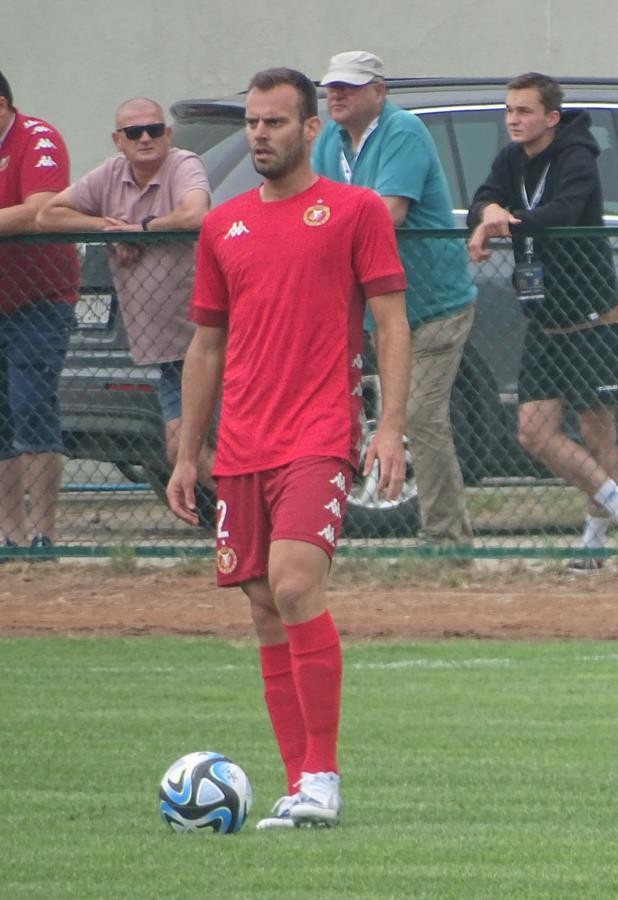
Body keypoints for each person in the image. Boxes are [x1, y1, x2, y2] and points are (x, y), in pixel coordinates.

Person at [166, 67, 409, 830]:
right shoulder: (223, 226)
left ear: (311, 129)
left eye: (275, 122)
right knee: (267, 609)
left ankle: (323, 778)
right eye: (252, 122)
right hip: (242, 443)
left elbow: (392, 322)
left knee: (296, 584)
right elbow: (206, 345)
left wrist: (390, 427)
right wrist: (188, 453)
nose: (260, 134)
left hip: (319, 433)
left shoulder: (354, 211)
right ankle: (299, 784)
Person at [467, 72, 618, 569]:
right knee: (532, 433)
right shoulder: (511, 159)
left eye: (524, 111)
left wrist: (505, 222)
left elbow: (564, 212)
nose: (513, 120)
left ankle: (594, 546)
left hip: (592, 319)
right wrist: (489, 212)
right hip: (544, 320)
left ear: (551, 117)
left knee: (596, 429)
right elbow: (481, 200)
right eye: (509, 110)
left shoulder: (577, 157)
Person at [312, 50, 477, 552]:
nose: (336, 95)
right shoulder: (329, 139)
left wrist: (321, 232)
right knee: (349, 414)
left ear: (379, 92)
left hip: (433, 305)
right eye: (332, 86)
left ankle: (447, 539)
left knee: (420, 417)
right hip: (376, 310)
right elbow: (314, 205)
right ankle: (318, 524)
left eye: (349, 86)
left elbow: (388, 214)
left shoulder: (403, 131)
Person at [37, 97, 214, 505]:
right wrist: (107, 226)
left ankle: (256, 518)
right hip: (166, 353)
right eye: (134, 132)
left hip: (209, 343)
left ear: (168, 134)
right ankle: (249, 517)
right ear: (119, 140)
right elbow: (48, 216)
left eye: (154, 129)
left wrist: (143, 229)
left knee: (214, 447)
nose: (145, 138)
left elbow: (195, 214)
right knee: (181, 451)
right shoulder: (110, 174)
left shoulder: (183, 164)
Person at [0, 68, 79, 556]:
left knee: (31, 404)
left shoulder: (37, 137)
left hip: (40, 298)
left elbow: (41, 209)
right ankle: (9, 535)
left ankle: (43, 533)